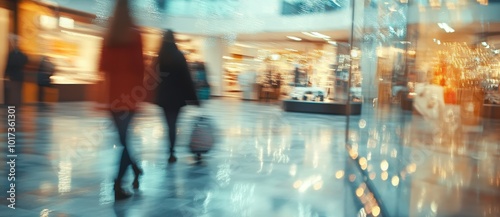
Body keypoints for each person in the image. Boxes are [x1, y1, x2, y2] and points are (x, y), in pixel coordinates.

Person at [98, 0, 144, 200]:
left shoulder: (109, 36)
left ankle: (133, 170)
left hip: (113, 98)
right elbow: (141, 68)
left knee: (124, 140)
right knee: (125, 141)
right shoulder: (136, 35)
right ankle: (117, 184)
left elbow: (102, 67)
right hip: (131, 98)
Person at [155, 29, 199, 163]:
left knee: (168, 124)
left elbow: (152, 78)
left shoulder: (159, 57)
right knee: (173, 124)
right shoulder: (179, 56)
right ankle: (172, 151)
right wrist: (193, 98)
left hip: (163, 97)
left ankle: (170, 149)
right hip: (177, 98)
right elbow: (186, 78)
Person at [4, 35, 28, 105]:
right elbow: (25, 61)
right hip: (20, 75)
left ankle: (13, 109)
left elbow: (8, 65)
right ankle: (17, 106)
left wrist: (6, 74)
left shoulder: (11, 54)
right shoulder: (22, 54)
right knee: (18, 91)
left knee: (13, 93)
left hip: (13, 75)